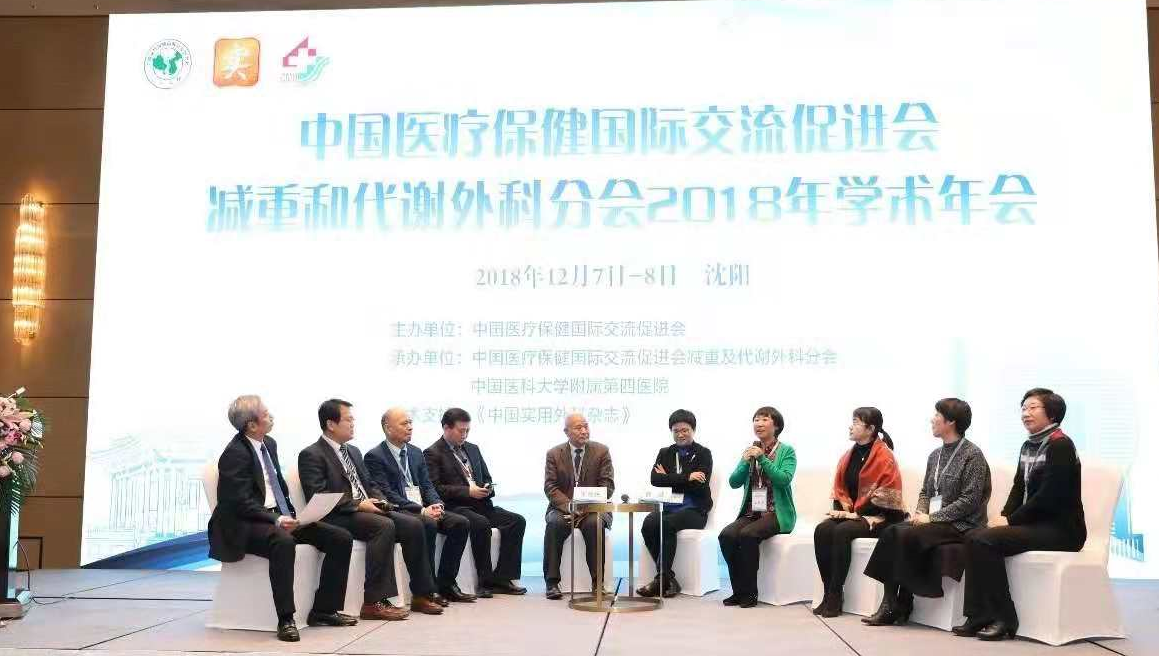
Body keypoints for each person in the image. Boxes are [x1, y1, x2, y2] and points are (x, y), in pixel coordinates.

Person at [208, 395, 357, 642]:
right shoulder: (234, 454)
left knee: (339, 537)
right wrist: (275, 519)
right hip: (245, 524)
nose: (271, 417)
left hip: (276, 517)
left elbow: (276, 487)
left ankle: (324, 610)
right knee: (283, 541)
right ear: (251, 425)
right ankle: (286, 619)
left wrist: (291, 516)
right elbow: (239, 503)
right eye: (266, 414)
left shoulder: (269, 444)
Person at [954, 388, 1086, 641]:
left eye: (1033, 407)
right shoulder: (1029, 445)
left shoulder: (1060, 445)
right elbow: (1018, 487)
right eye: (1024, 408)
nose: (1026, 413)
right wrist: (1003, 516)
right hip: (1035, 525)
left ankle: (1004, 618)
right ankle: (978, 614)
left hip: (1062, 529)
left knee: (985, 541)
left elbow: (1049, 495)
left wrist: (1010, 521)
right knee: (973, 536)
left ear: (1052, 414)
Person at [298, 399, 444, 619]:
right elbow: (318, 495)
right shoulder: (312, 454)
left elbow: (370, 484)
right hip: (338, 515)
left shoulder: (353, 451)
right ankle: (373, 602)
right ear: (331, 424)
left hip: (366, 509)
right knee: (383, 526)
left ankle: (422, 594)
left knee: (416, 524)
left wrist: (381, 502)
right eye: (348, 419)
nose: (353, 423)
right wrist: (359, 504)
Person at [862, 398, 991, 626]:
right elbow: (925, 492)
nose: (932, 420)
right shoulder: (935, 455)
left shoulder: (973, 455)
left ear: (951, 422)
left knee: (903, 534)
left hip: (962, 524)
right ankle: (893, 602)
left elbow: (969, 501)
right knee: (892, 531)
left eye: (937, 415)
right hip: (934, 521)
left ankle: (899, 603)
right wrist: (920, 513)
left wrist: (931, 517)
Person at [364, 407, 475, 604]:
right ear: (388, 428)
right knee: (427, 523)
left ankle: (446, 583)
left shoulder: (415, 452)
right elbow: (387, 493)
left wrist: (437, 504)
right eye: (404, 423)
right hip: (402, 510)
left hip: (424, 507)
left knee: (460, 523)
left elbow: (427, 484)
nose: (410, 427)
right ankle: (428, 589)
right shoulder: (375, 456)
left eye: (410, 422)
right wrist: (422, 510)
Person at [812, 407, 906, 617]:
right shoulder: (848, 455)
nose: (850, 427)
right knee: (822, 530)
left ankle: (835, 594)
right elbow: (841, 489)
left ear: (870, 429)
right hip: (853, 514)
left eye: (855, 422)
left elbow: (888, 497)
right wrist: (842, 511)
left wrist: (856, 514)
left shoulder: (885, 457)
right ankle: (828, 592)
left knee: (842, 531)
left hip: (881, 516)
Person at [424, 407, 527, 597]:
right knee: (481, 523)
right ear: (446, 428)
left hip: (482, 503)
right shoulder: (432, 453)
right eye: (461, 430)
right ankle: (485, 581)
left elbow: (486, 477)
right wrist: (467, 492)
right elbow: (436, 488)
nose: (464, 435)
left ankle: (503, 577)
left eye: (467, 430)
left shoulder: (473, 448)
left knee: (517, 521)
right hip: (457, 507)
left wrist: (487, 488)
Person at [717, 406, 797, 608]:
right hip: (752, 512)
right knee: (727, 535)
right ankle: (738, 591)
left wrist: (762, 458)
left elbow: (783, 480)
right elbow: (734, 482)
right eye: (756, 420)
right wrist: (746, 461)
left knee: (748, 535)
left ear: (776, 426)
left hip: (776, 513)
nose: (758, 424)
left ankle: (750, 593)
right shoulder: (750, 451)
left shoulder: (787, 451)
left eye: (764, 419)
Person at [636, 409, 714, 598]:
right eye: (676, 430)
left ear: (693, 430)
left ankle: (662, 579)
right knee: (649, 523)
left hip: (695, 510)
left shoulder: (703, 453)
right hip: (669, 507)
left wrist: (669, 477)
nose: (680, 434)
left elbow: (699, 484)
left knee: (666, 524)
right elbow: (655, 479)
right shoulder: (665, 453)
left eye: (685, 430)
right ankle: (667, 578)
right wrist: (687, 477)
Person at [542, 413, 615, 600]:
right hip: (563, 508)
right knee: (554, 524)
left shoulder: (601, 451)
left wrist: (583, 508)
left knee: (594, 524)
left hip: (594, 508)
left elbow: (607, 486)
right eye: (578, 428)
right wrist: (570, 506)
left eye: (586, 426)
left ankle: (598, 584)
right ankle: (552, 583)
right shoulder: (554, 454)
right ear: (566, 432)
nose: (584, 431)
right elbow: (550, 487)